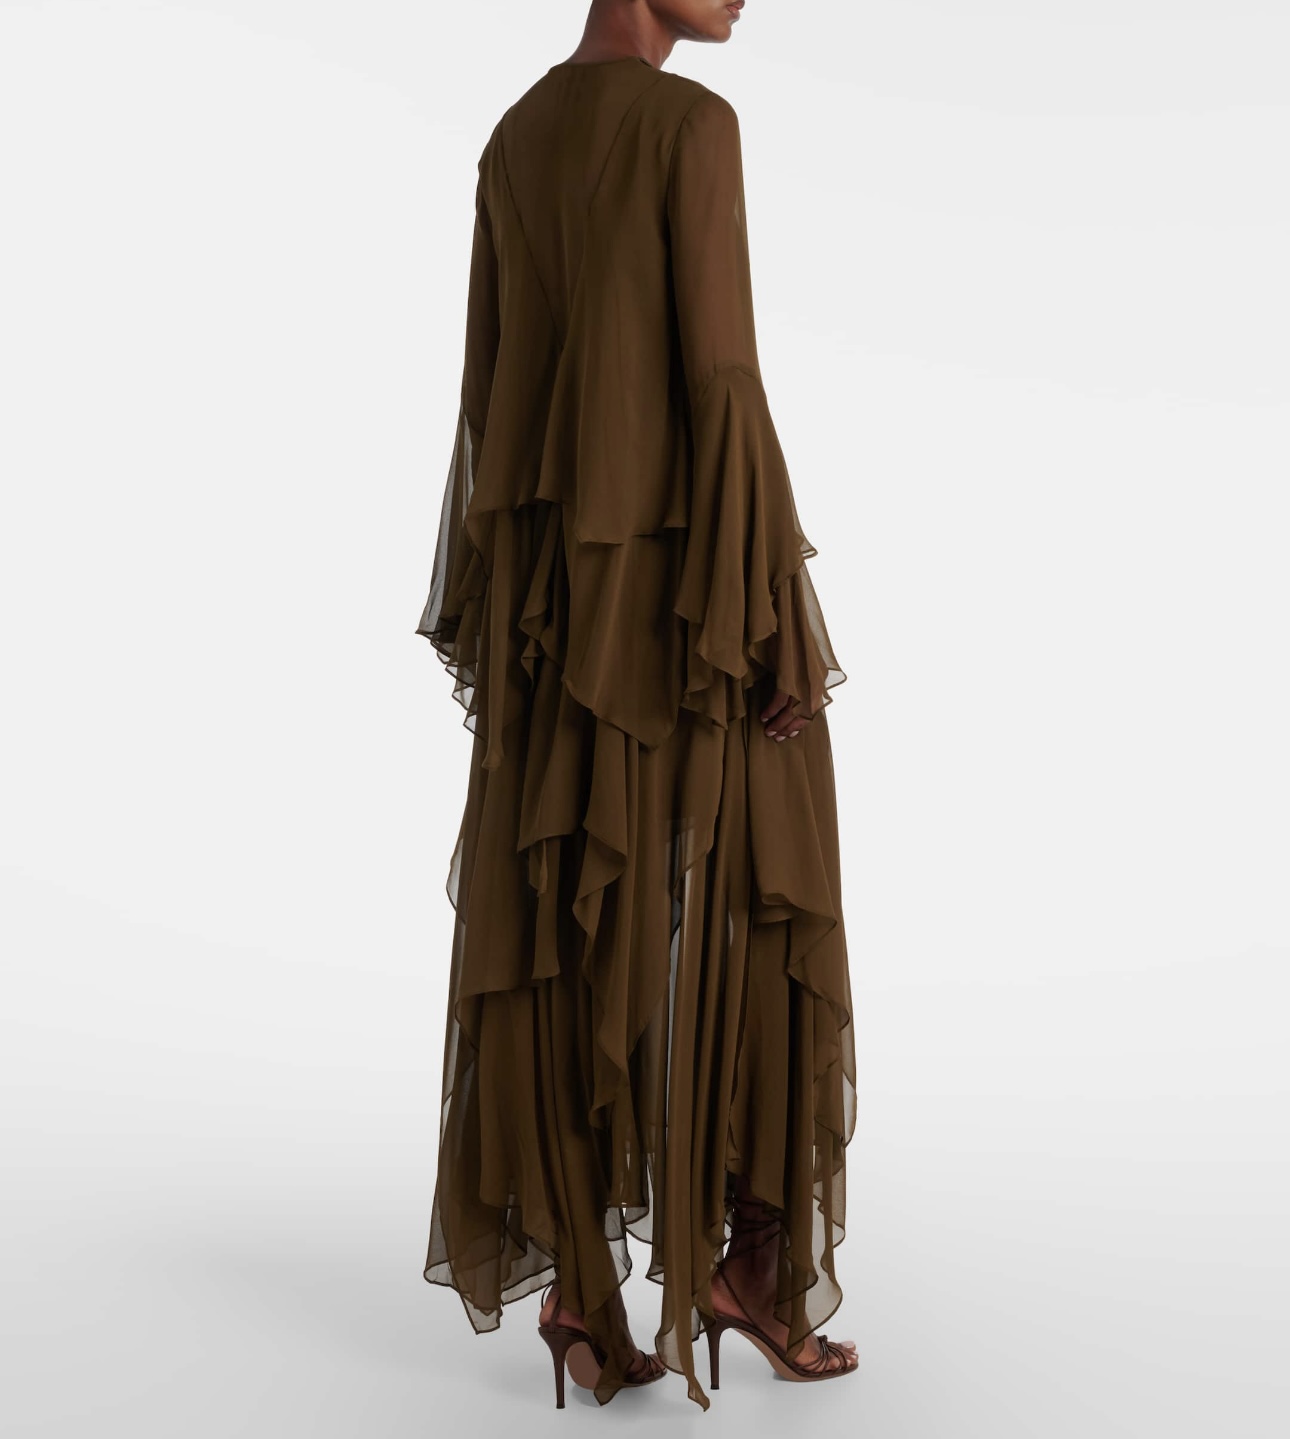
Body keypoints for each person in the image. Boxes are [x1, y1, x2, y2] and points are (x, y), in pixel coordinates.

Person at [415, 0, 857, 1411]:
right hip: (680, 590)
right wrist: (771, 600)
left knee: (567, 914)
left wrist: (512, 599)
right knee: (768, 879)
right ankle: (752, 1268)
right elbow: (721, 372)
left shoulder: (514, 140)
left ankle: (582, 1303)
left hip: (555, 596)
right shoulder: (689, 126)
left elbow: (487, 392)